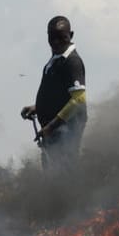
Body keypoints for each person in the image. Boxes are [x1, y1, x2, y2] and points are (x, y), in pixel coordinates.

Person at [21, 15, 87, 169]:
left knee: (62, 173)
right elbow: (60, 95)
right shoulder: (56, 59)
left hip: (65, 131)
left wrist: (51, 127)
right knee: (51, 171)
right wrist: (37, 107)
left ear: (70, 35)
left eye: (61, 37)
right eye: (52, 38)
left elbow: (79, 100)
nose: (56, 42)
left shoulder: (72, 61)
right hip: (53, 131)